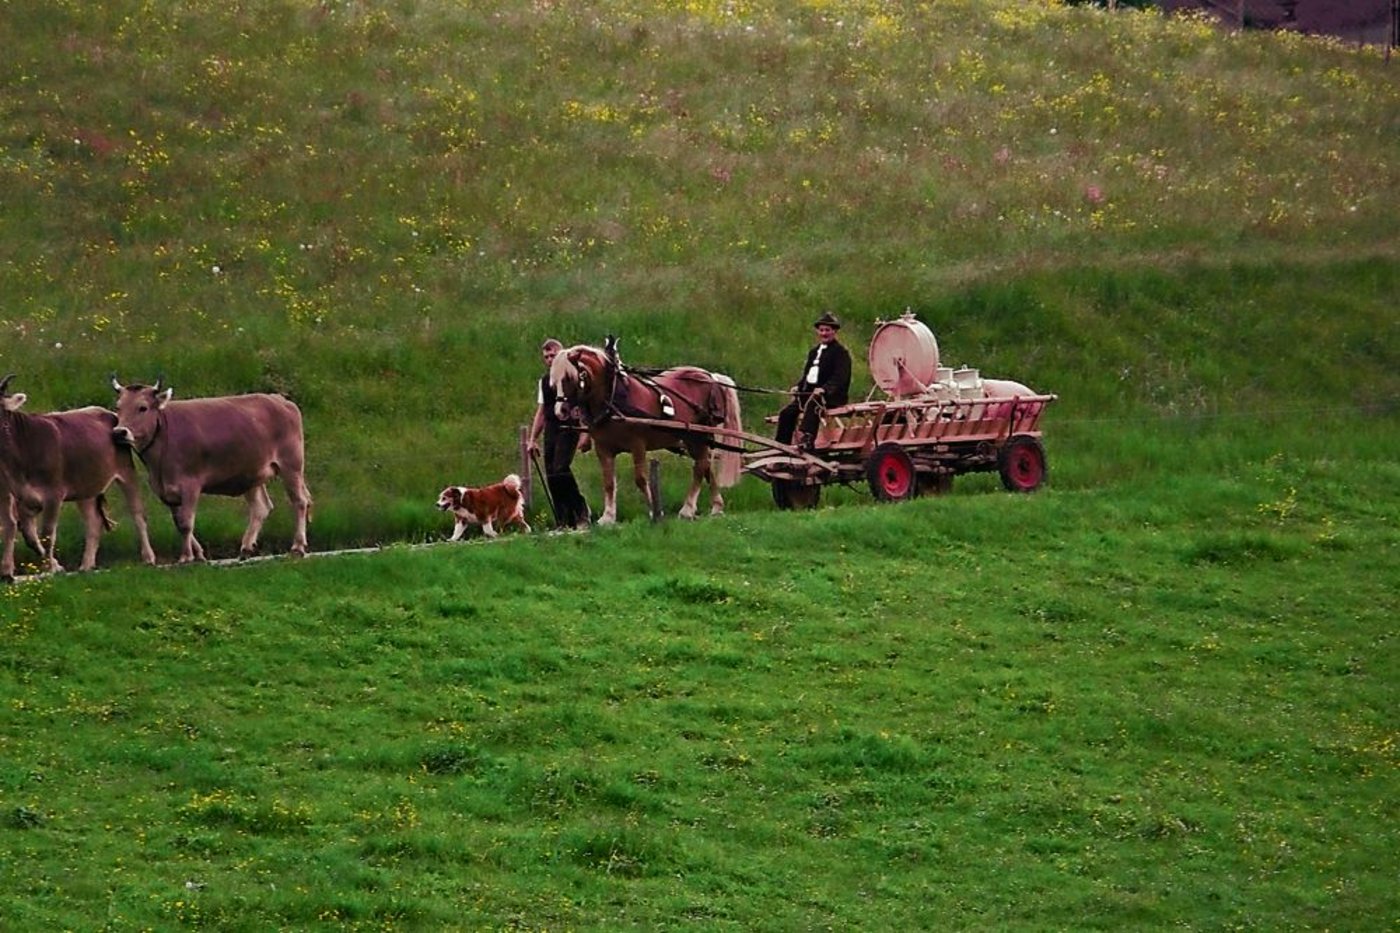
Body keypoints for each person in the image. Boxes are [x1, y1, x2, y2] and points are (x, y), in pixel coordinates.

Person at [527, 339, 592, 529]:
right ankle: (563, 519)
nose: (549, 359)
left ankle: (580, 510)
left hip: (569, 425)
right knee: (551, 474)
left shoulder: (573, 376)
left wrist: (585, 433)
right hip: (552, 428)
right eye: (546, 357)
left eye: (553, 355)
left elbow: (584, 406)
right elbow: (541, 411)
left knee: (561, 468)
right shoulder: (544, 381)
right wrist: (532, 439)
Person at [776, 311, 852, 448]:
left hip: (831, 396)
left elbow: (840, 377)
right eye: (821, 330)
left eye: (827, 330)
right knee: (787, 412)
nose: (824, 333)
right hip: (809, 394)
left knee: (814, 404)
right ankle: (782, 445)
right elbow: (807, 375)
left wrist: (824, 389)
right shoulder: (813, 352)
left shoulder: (841, 353)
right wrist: (799, 387)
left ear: (834, 331)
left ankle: (808, 439)